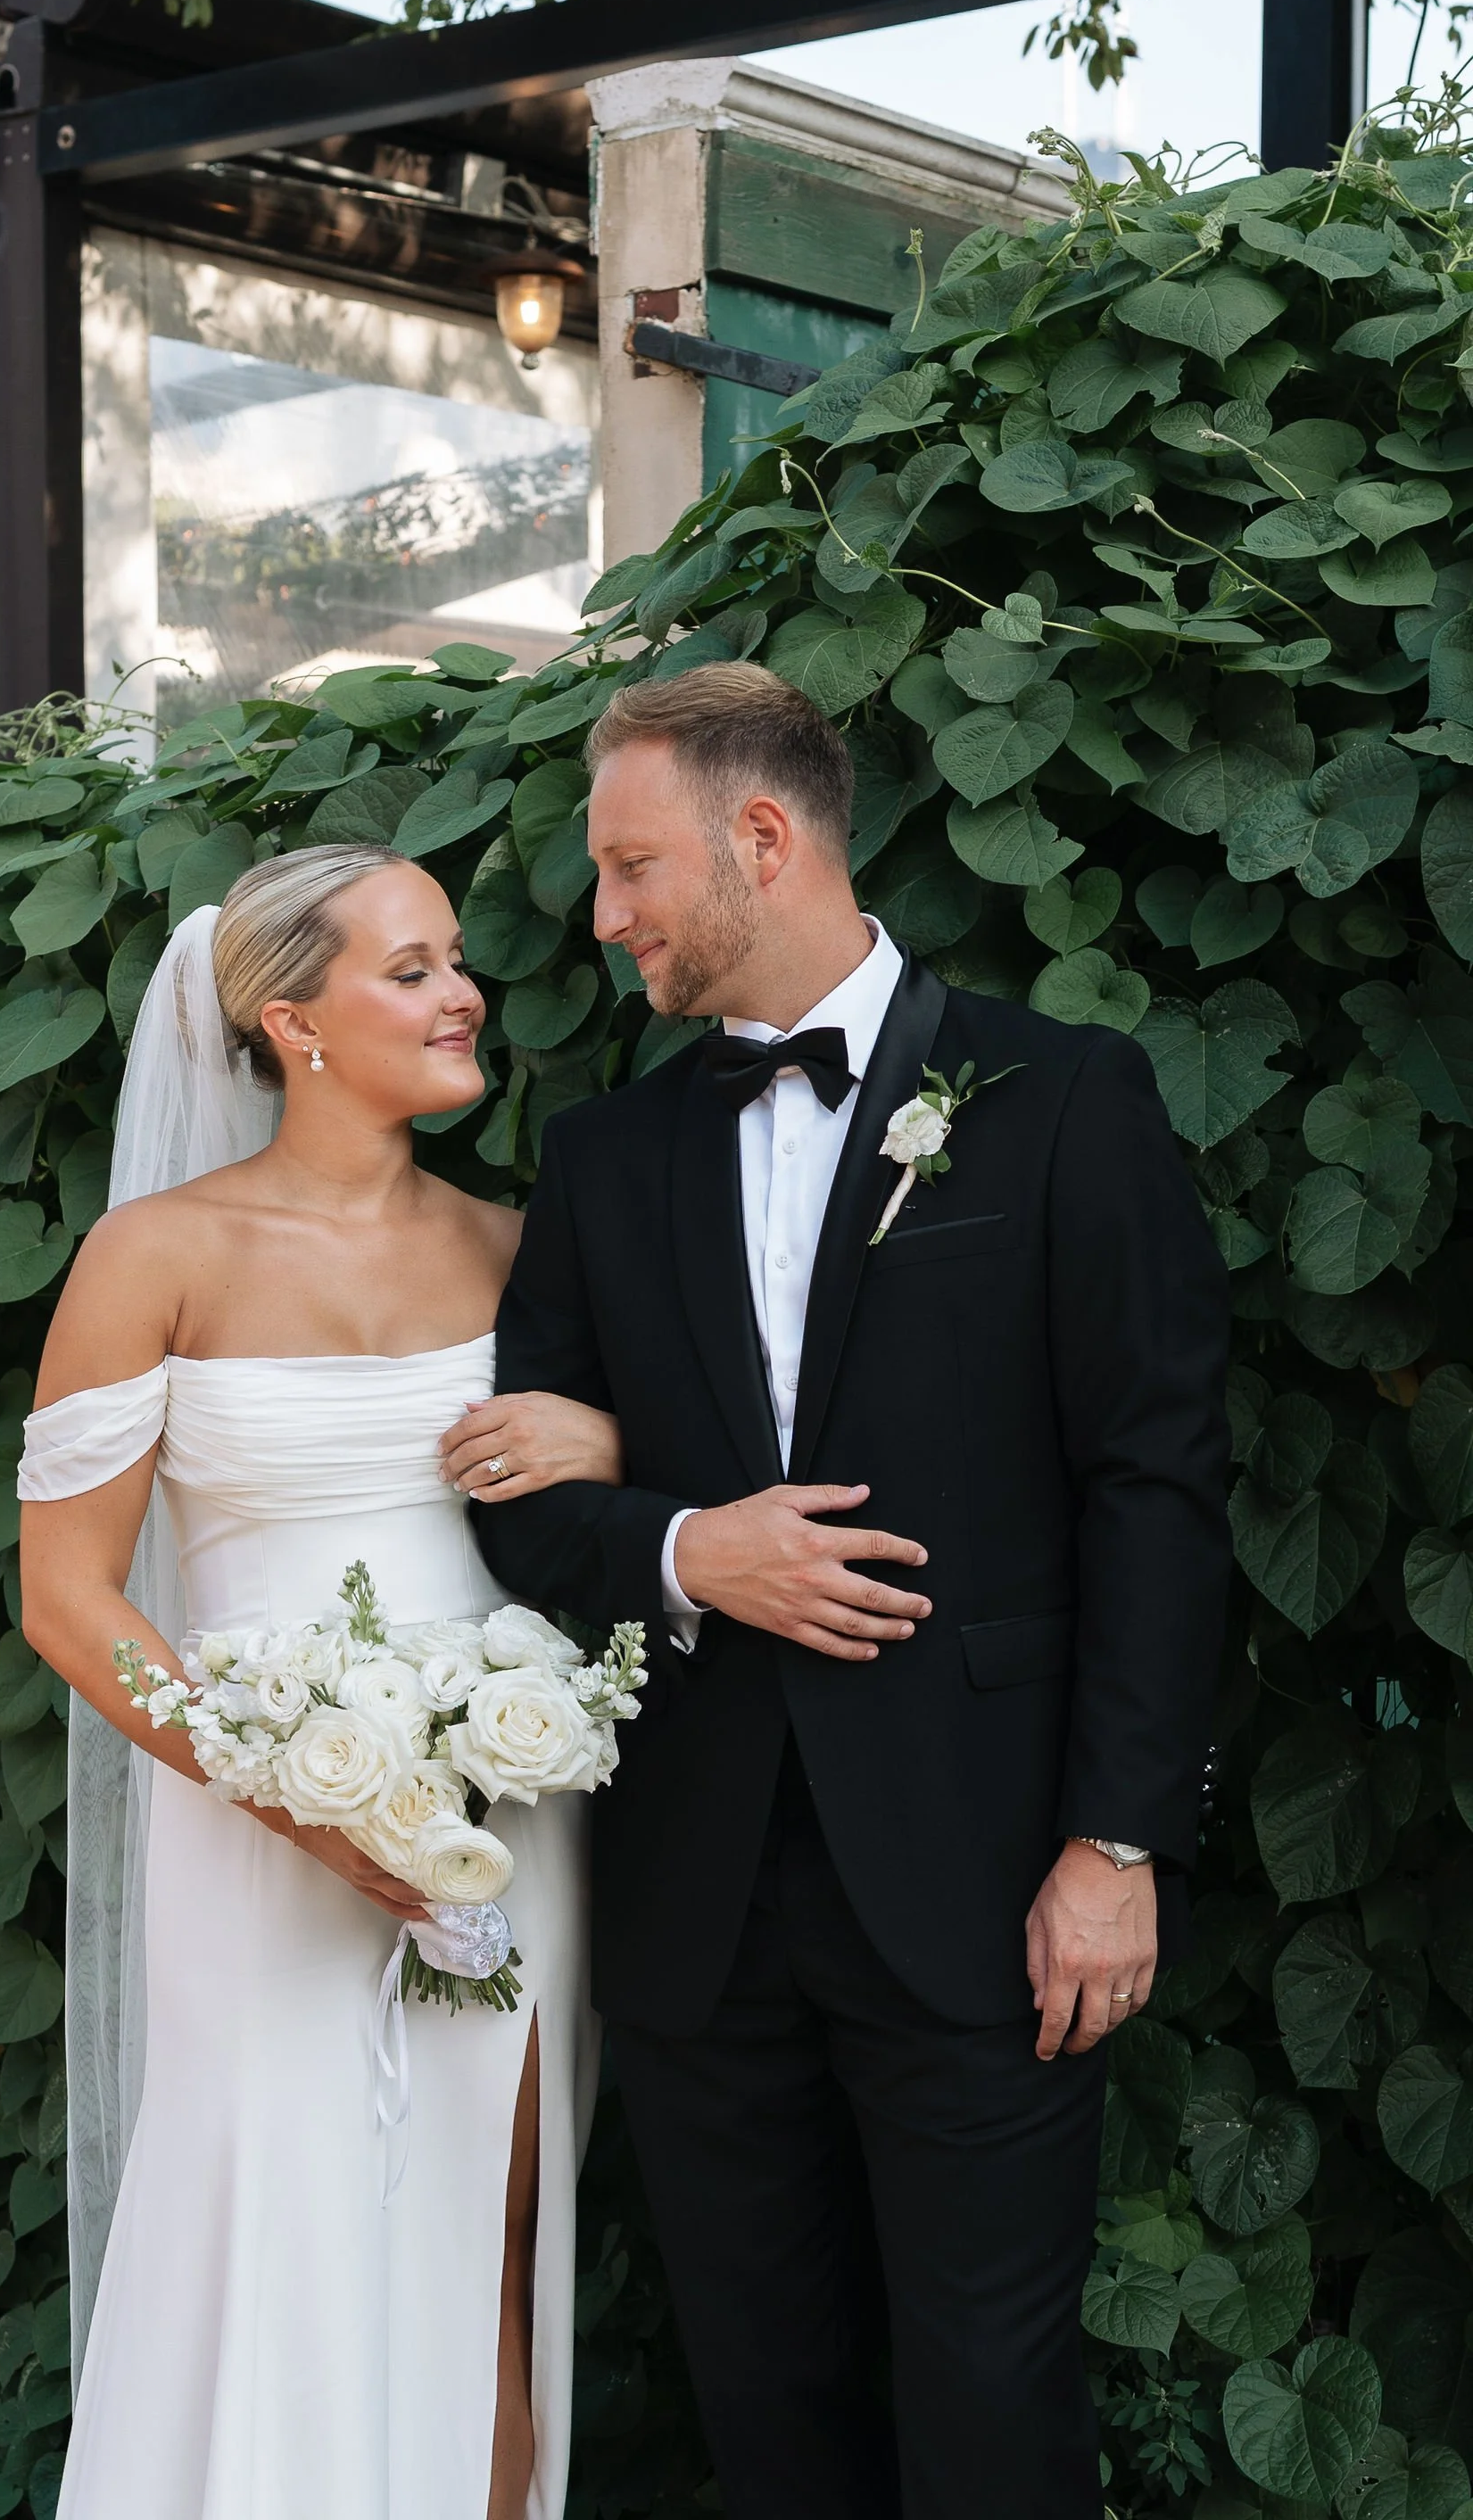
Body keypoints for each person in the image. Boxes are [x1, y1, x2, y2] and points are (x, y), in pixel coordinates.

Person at [454, 662, 1233, 2520]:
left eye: (632, 866)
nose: (605, 913)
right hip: (700, 1904)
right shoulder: (604, 1156)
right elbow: (515, 1496)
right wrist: (677, 1547)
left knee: (990, 2401)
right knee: (761, 2397)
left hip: (985, 1885)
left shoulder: (1060, 1097)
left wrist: (1113, 1845)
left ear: (764, 838)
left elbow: (1157, 1486)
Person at [16, 843, 624, 2520]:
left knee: (485, 2228)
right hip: (253, 1828)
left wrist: (601, 1434)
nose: (462, 993)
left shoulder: (519, 1247)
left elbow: (617, 1501)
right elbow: (67, 1598)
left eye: (453, 962)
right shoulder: (157, 1255)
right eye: (411, 969)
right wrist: (296, 1791)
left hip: (509, 1808)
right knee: (273, 2213)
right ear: (295, 1022)